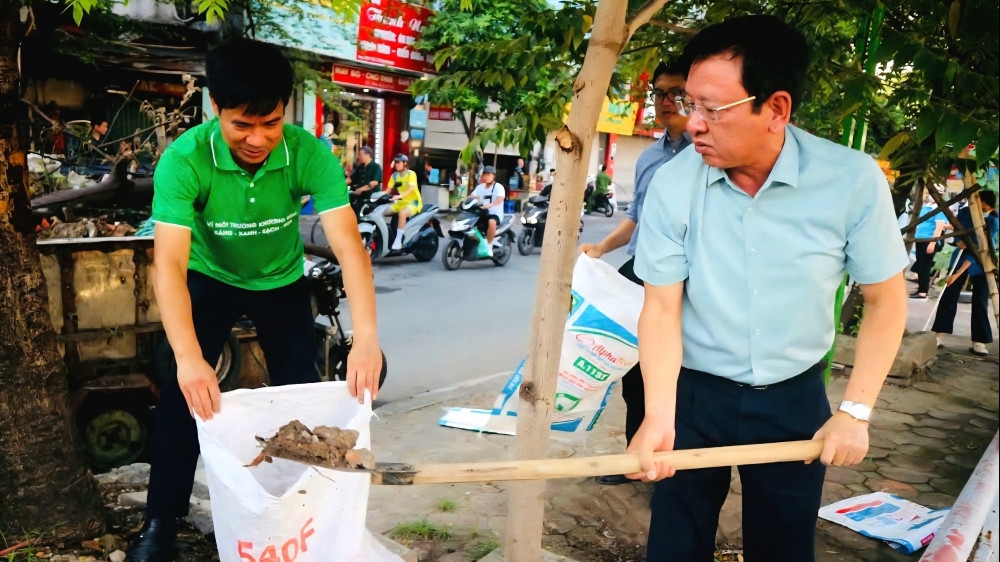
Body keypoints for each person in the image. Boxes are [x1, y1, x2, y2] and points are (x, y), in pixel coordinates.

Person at [629, 16, 908, 562]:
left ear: (776, 109)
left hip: (793, 397)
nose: (694, 124)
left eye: (712, 108)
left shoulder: (850, 180)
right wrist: (658, 417)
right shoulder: (672, 183)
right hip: (693, 395)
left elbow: (886, 300)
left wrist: (855, 411)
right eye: (690, 104)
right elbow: (661, 308)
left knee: (782, 545)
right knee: (673, 545)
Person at [129, 39, 383, 562]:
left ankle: (305, 510)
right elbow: (170, 265)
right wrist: (190, 358)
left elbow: (349, 248)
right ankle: (160, 523)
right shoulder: (185, 159)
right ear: (215, 108)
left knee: (301, 394)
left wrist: (367, 341)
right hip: (209, 276)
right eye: (242, 125)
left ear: (284, 110)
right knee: (185, 396)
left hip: (280, 280)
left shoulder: (308, 154)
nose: (258, 138)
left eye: (270, 122)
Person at [578, 60, 691, 486]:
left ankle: (675, 468)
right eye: (660, 93)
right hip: (642, 272)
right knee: (632, 373)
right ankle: (637, 460)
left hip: (686, 283)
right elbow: (637, 218)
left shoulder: (709, 155)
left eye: (677, 92)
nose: (667, 102)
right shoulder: (649, 157)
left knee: (680, 378)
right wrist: (601, 248)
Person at [932, 190, 998, 356]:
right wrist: (958, 240)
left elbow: (980, 247)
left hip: (982, 260)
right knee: (949, 295)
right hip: (960, 257)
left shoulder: (993, 220)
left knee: (980, 300)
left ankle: (979, 340)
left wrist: (958, 273)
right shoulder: (964, 212)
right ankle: (938, 334)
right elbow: (957, 229)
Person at [910, 195, 945, 298]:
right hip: (920, 238)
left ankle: (923, 291)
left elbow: (939, 228)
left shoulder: (940, 209)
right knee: (920, 265)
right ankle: (920, 288)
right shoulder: (926, 207)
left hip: (929, 240)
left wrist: (933, 243)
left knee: (925, 266)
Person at [386, 154, 422, 250]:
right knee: (383, 211)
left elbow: (411, 188)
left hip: (413, 203)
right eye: (395, 162)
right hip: (400, 203)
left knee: (402, 213)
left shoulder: (411, 174)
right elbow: (387, 191)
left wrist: (400, 196)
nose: (396, 164)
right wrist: (376, 196)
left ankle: (398, 241)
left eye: (398, 162)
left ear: (405, 163)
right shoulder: (394, 176)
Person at [470, 165, 506, 256]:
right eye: (484, 174)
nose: (485, 176)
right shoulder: (480, 187)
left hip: (495, 214)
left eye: (488, 174)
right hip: (482, 213)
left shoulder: (498, 187)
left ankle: (489, 246)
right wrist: (462, 201)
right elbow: (472, 196)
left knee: (491, 222)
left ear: (493, 176)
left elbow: (500, 198)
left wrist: (491, 205)